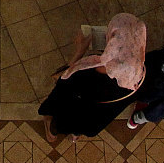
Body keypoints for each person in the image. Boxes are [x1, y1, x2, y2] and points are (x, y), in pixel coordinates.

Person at [38, 14, 147, 143]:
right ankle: (75, 135)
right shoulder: (140, 75)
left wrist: (79, 51)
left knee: (61, 121)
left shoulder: (88, 74)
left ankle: (52, 132)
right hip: (94, 123)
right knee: (81, 127)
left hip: (75, 116)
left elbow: (63, 80)